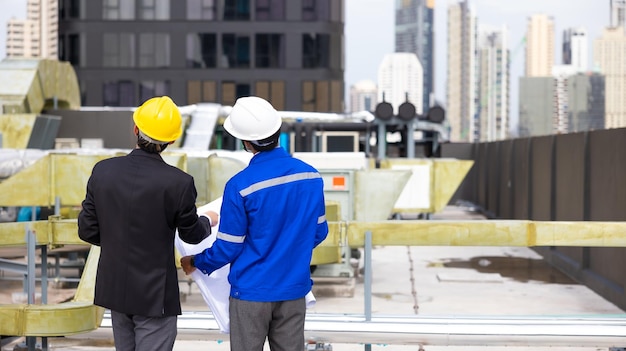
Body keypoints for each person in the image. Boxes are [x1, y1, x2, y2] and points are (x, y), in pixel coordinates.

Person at [180, 96, 329, 351]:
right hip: (294, 290)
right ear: (278, 130)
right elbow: (318, 232)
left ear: (246, 142)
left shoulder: (240, 185)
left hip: (251, 294)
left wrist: (196, 262)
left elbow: (228, 248)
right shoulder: (311, 176)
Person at [78, 96, 218, 351]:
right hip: (155, 294)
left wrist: (117, 236)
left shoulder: (103, 171)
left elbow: (87, 230)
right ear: (172, 141)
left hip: (115, 289)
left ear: (135, 129)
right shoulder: (179, 182)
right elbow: (192, 235)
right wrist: (208, 219)